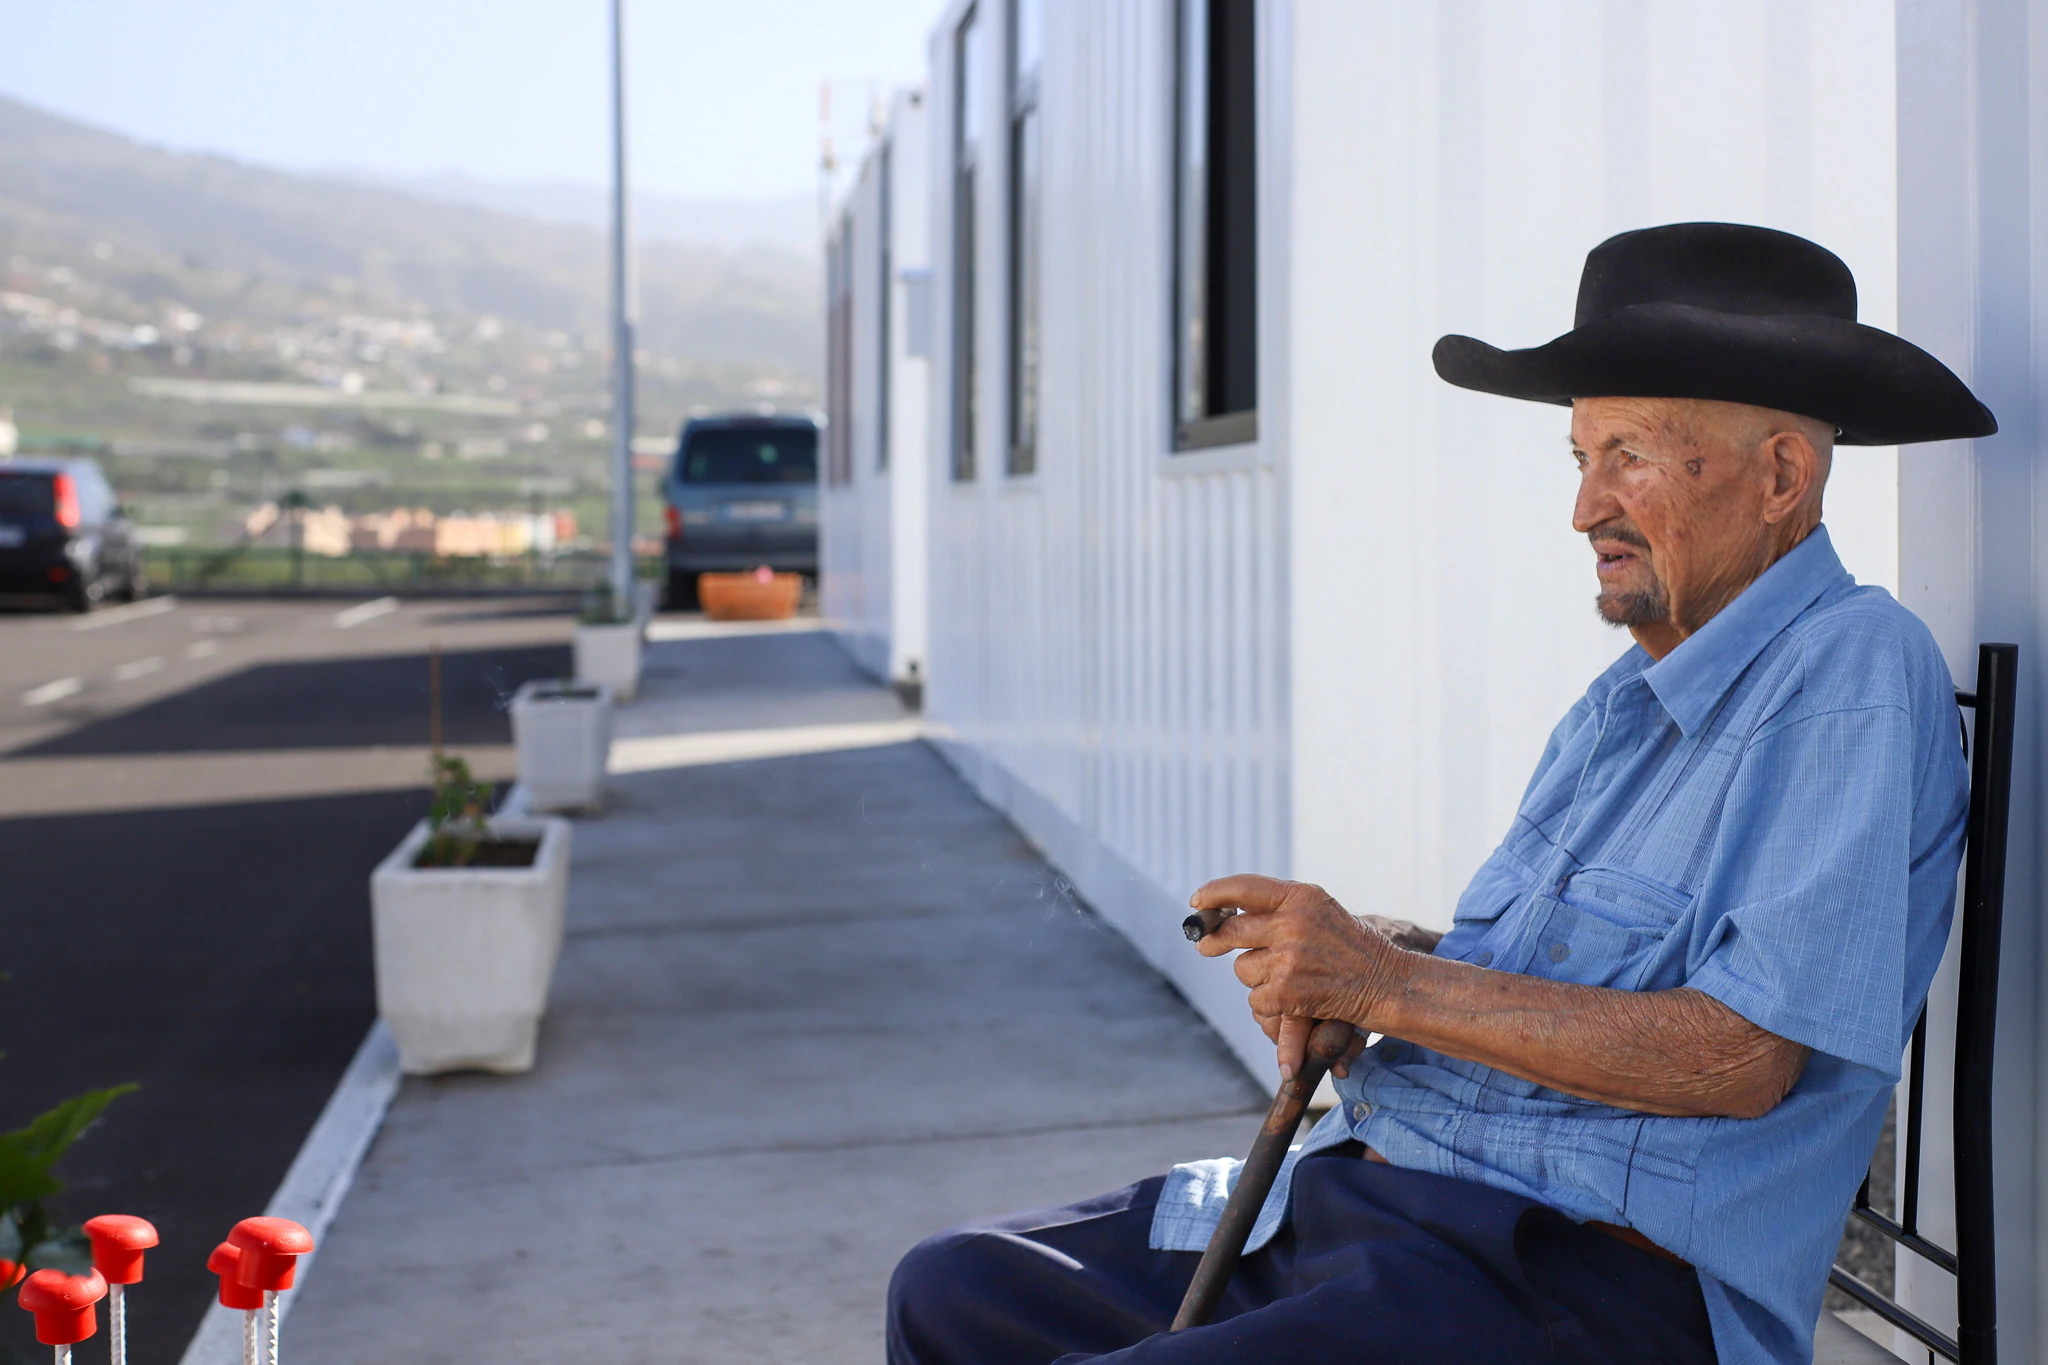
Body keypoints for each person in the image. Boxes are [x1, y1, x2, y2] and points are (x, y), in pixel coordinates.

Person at [885, 223, 1998, 1365]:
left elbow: (1741, 1058)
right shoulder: (1623, 702)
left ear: (1778, 476)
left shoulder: (1853, 667)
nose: (1584, 509)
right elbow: (1540, 978)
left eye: (1630, 455)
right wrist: (1369, 961)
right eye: (1579, 458)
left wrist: (1392, 981)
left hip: (1570, 1276)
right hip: (1383, 1202)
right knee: (956, 1290)